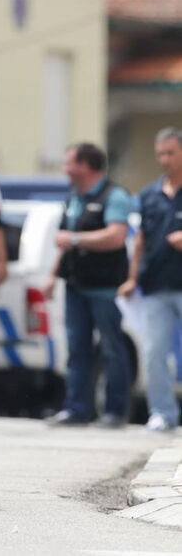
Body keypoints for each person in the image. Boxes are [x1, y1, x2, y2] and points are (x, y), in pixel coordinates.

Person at [43, 143, 132, 428]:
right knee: (76, 349)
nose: (64, 169)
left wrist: (77, 240)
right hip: (75, 285)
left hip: (104, 287)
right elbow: (65, 239)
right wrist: (52, 274)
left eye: (69, 163)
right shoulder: (74, 197)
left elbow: (116, 236)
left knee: (111, 349)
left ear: (85, 166)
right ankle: (76, 409)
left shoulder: (114, 195)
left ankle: (114, 412)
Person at [119, 128, 182, 434]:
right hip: (156, 285)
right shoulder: (147, 196)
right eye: (160, 154)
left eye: (170, 153)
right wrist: (132, 278)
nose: (165, 159)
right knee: (154, 351)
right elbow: (140, 240)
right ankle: (162, 412)